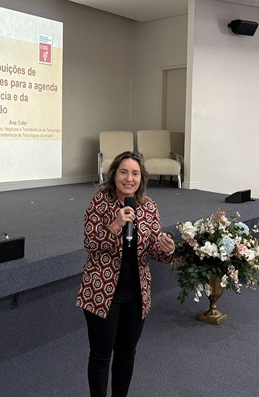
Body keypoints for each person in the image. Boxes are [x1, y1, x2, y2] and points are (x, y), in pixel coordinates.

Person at [76, 151, 175, 397]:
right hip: (102, 291)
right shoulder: (99, 202)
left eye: (135, 173)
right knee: (101, 354)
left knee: (126, 353)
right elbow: (91, 244)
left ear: (142, 178)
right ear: (114, 174)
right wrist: (116, 224)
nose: (129, 178)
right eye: (124, 172)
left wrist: (168, 250)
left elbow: (153, 248)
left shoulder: (148, 206)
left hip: (136, 292)